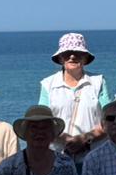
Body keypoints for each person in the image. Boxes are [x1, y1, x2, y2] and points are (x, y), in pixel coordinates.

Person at [38, 32, 109, 163]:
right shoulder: (48, 84)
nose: (72, 56)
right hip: (56, 158)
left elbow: (109, 119)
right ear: (60, 58)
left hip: (94, 157)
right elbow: (41, 120)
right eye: (67, 53)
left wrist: (85, 139)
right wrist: (65, 139)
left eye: (78, 53)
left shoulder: (98, 82)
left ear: (85, 58)